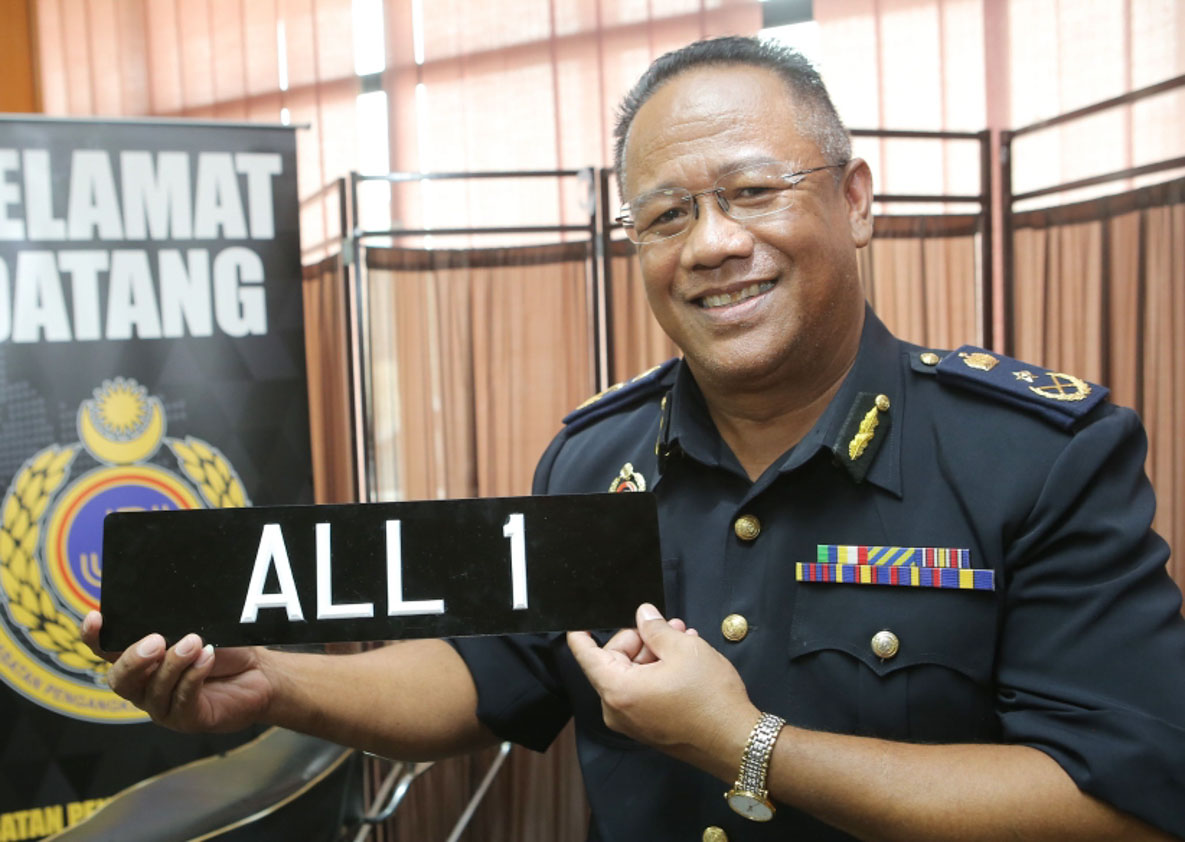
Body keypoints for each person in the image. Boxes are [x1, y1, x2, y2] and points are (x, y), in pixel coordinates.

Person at [83, 36, 1185, 842]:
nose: (712, 243)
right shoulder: (593, 459)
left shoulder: (1037, 455)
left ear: (855, 200)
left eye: (752, 190)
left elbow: (1124, 802)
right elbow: (487, 674)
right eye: (664, 215)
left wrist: (749, 745)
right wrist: (273, 680)